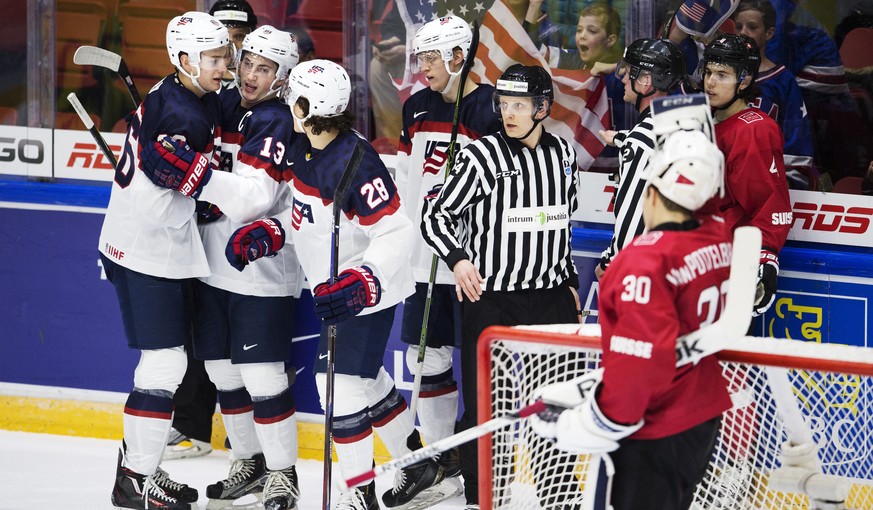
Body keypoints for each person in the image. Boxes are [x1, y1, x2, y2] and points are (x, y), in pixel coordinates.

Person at [139, 26, 305, 510]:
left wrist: (196, 179)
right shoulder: (222, 101)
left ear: (282, 76)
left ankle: (282, 474)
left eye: (264, 68)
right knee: (220, 369)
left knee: (261, 374)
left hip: (260, 267)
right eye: (247, 61)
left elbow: (255, 200)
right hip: (211, 260)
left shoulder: (276, 118)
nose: (250, 75)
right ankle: (249, 464)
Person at [530, 128, 734, 510]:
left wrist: (596, 421)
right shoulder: (716, 239)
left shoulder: (644, 262)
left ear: (652, 191)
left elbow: (642, 358)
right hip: (701, 416)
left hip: (655, 424)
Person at [279, 59, 446, 510]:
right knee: (367, 381)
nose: (286, 104)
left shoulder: (355, 162)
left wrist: (364, 281)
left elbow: (396, 230)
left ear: (307, 105)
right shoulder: (304, 146)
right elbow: (308, 215)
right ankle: (417, 465)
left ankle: (357, 493)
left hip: (364, 295)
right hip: (338, 293)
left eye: (293, 96)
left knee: (340, 387)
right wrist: (275, 231)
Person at [421, 64, 581, 510]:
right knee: (485, 408)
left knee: (553, 404)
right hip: (492, 302)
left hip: (550, 302)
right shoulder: (481, 157)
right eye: (503, 104)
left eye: (519, 105)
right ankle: (482, 498)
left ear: (542, 108)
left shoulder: (564, 156)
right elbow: (435, 216)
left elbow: (561, 223)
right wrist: (458, 259)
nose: (508, 113)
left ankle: (558, 497)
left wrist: (568, 281)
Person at [99, 11, 231, 510]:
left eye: (225, 56)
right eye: (213, 58)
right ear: (182, 60)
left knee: (165, 361)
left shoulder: (180, 96)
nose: (224, 66)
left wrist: (197, 191)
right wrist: (204, 193)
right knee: (166, 361)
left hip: (146, 242)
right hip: (147, 248)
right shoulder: (183, 112)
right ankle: (135, 478)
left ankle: (140, 471)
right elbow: (163, 184)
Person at [394, 14, 501, 495]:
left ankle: (479, 464)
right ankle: (438, 460)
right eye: (420, 57)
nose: (423, 67)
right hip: (424, 259)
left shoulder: (490, 110)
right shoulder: (415, 108)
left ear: (461, 56)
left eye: (432, 57)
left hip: (473, 261)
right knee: (427, 360)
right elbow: (405, 182)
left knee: (479, 363)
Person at [698, 34, 791, 318]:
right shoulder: (707, 120)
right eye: (709, 72)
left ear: (745, 81)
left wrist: (763, 259)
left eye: (723, 75)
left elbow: (768, 204)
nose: (711, 82)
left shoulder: (753, 130)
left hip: (725, 267)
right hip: (696, 262)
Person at [596, 38, 686, 280]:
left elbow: (632, 220)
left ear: (646, 81)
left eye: (629, 72)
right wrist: (625, 139)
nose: (623, 78)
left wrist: (609, 263)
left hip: (644, 274)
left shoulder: (641, 141)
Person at [733, 0, 816, 189]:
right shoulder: (722, 78)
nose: (743, 33)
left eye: (752, 27)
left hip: (766, 185)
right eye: (739, 27)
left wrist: (784, 182)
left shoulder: (783, 80)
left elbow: (796, 138)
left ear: (769, 33)